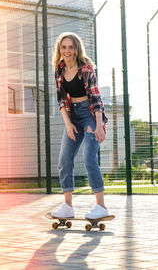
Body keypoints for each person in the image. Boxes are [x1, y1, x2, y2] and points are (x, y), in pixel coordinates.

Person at [51, 32, 109, 219]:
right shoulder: (59, 70)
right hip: (72, 116)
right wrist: (68, 124)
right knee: (64, 160)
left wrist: (99, 126)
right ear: (60, 49)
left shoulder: (86, 69)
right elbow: (61, 99)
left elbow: (96, 97)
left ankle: (101, 206)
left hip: (90, 115)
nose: (67, 51)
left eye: (70, 47)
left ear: (76, 49)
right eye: (63, 47)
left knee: (89, 159)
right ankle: (67, 206)